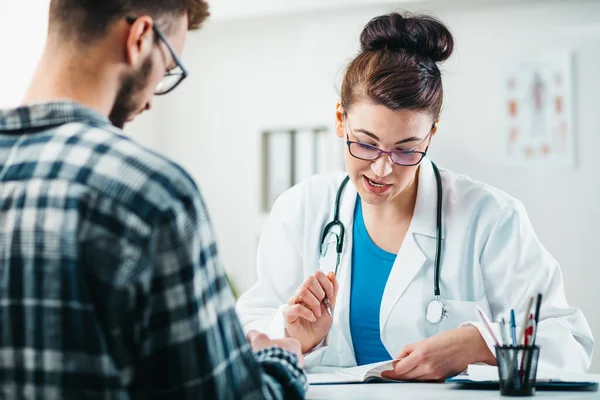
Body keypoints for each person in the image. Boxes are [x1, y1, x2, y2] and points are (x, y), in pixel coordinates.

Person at [236, 12, 594, 380]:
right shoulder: (302, 209)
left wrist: (478, 345)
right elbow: (243, 335)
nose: (381, 169)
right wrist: (292, 334)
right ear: (341, 121)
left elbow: (569, 343)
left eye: (405, 150)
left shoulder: (491, 218)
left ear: (431, 134)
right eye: (366, 144)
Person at [0, 1, 307, 399]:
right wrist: (278, 362)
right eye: (166, 70)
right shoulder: (151, 193)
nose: (150, 101)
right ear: (140, 38)